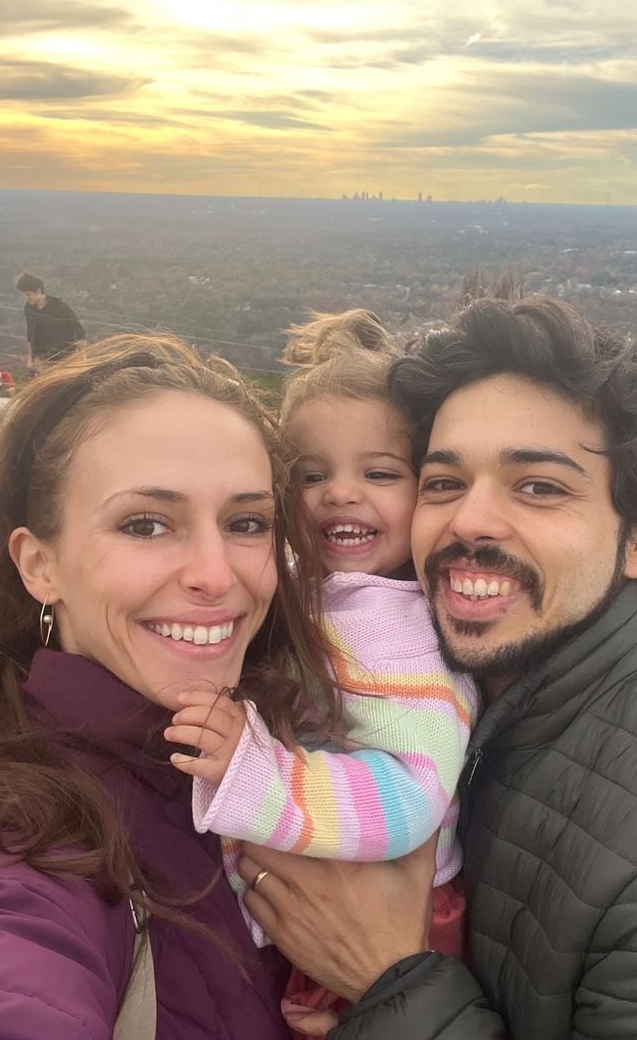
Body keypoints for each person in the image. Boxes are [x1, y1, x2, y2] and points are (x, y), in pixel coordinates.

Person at [237, 295, 637, 1038]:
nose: (470, 520)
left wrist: (392, 982)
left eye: (539, 486)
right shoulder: (460, 677)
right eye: (443, 481)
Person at [0, 333, 340, 1038]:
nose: (214, 572)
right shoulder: (29, 835)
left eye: (245, 522)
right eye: (146, 524)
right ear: (39, 564)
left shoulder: (290, 752)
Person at [169, 311, 477, 1037]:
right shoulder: (327, 587)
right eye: (312, 474)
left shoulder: (395, 631)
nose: (340, 492)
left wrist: (258, 772)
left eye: (378, 472)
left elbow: (411, 796)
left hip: (390, 917)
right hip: (321, 883)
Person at [16, 272, 86, 375]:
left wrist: (82, 358)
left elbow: (80, 332)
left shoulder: (60, 307)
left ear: (39, 291)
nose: (26, 298)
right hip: (44, 362)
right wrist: (31, 359)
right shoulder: (29, 308)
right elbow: (30, 336)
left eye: (28, 294)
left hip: (66, 359)